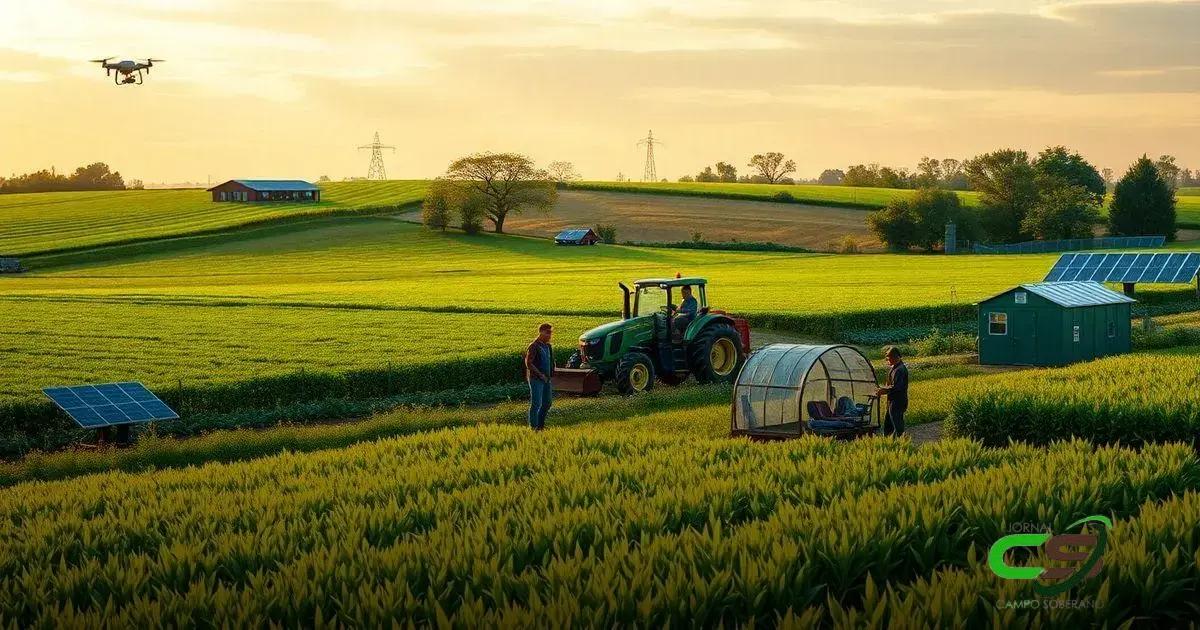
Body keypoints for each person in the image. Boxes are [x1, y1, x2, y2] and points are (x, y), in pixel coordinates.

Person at [525, 323, 555, 431]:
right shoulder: (534, 346)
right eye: (547, 332)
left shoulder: (548, 346)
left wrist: (550, 373)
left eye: (551, 333)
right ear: (541, 332)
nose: (549, 335)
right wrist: (540, 374)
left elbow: (550, 362)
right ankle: (534, 427)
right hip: (536, 379)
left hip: (546, 378)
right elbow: (528, 363)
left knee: (547, 403)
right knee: (536, 403)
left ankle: (540, 426)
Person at [875, 346, 908, 437]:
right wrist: (883, 389)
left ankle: (901, 442)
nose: (887, 360)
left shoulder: (899, 370)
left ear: (895, 357)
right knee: (888, 424)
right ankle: (889, 441)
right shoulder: (895, 368)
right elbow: (892, 385)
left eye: (889, 358)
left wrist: (884, 390)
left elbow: (897, 387)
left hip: (897, 402)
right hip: (892, 401)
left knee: (897, 425)